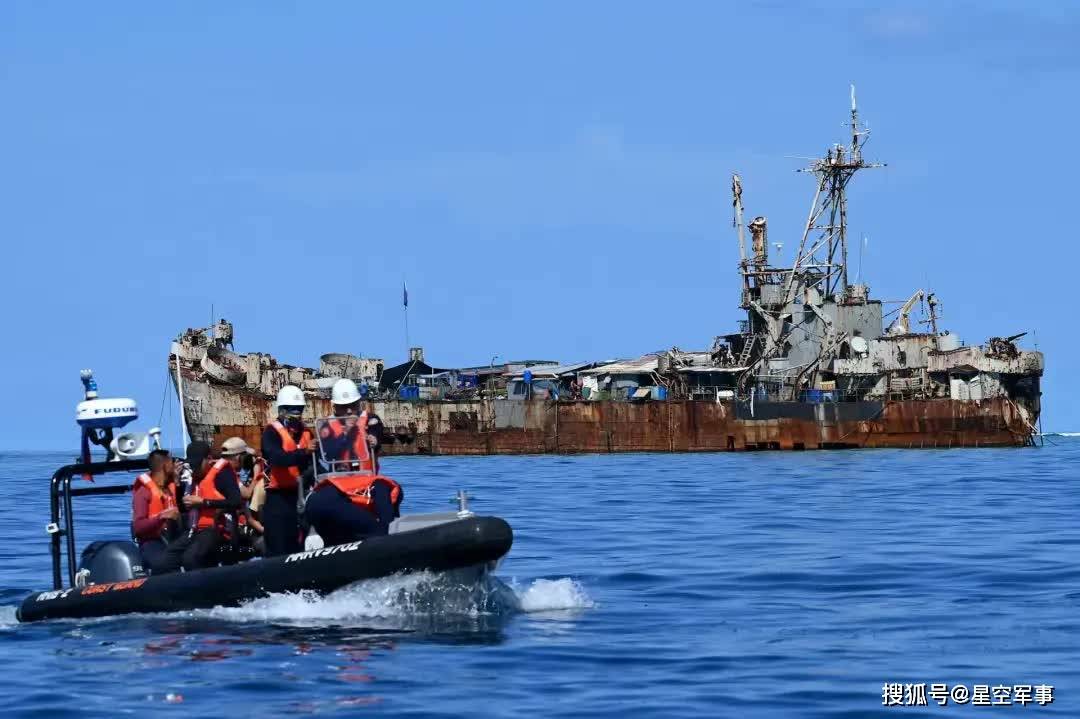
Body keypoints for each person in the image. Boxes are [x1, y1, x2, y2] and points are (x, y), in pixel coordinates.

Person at [304, 379, 402, 546]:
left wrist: (373, 440)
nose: (349, 410)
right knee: (318, 501)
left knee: (384, 489)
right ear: (334, 406)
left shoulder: (371, 420)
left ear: (359, 403)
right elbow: (328, 451)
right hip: (339, 481)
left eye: (353, 405)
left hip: (366, 478)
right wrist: (313, 447)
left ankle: (389, 536)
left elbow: (377, 434)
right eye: (344, 406)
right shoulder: (326, 426)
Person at [157, 440, 245, 573]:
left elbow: (236, 501)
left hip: (218, 530)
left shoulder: (222, 474)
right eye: (192, 465)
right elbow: (182, 509)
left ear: (208, 459)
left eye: (198, 465)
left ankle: (203, 589)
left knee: (190, 558)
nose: (195, 469)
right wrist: (177, 484)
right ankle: (177, 588)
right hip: (195, 530)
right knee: (165, 560)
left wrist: (204, 503)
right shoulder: (192, 478)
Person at [260, 385, 314, 556]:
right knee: (279, 542)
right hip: (279, 497)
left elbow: (317, 464)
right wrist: (304, 452)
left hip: (303, 494)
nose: (297, 413)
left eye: (299, 409)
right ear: (282, 410)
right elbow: (276, 458)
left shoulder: (307, 433)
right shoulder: (271, 433)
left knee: (304, 538)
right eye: (293, 409)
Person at [130, 448, 182, 573]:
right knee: (164, 563)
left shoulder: (173, 487)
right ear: (165, 465)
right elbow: (138, 527)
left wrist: (177, 481)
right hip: (151, 542)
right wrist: (162, 517)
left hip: (174, 538)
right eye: (172, 461)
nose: (175, 464)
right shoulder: (144, 492)